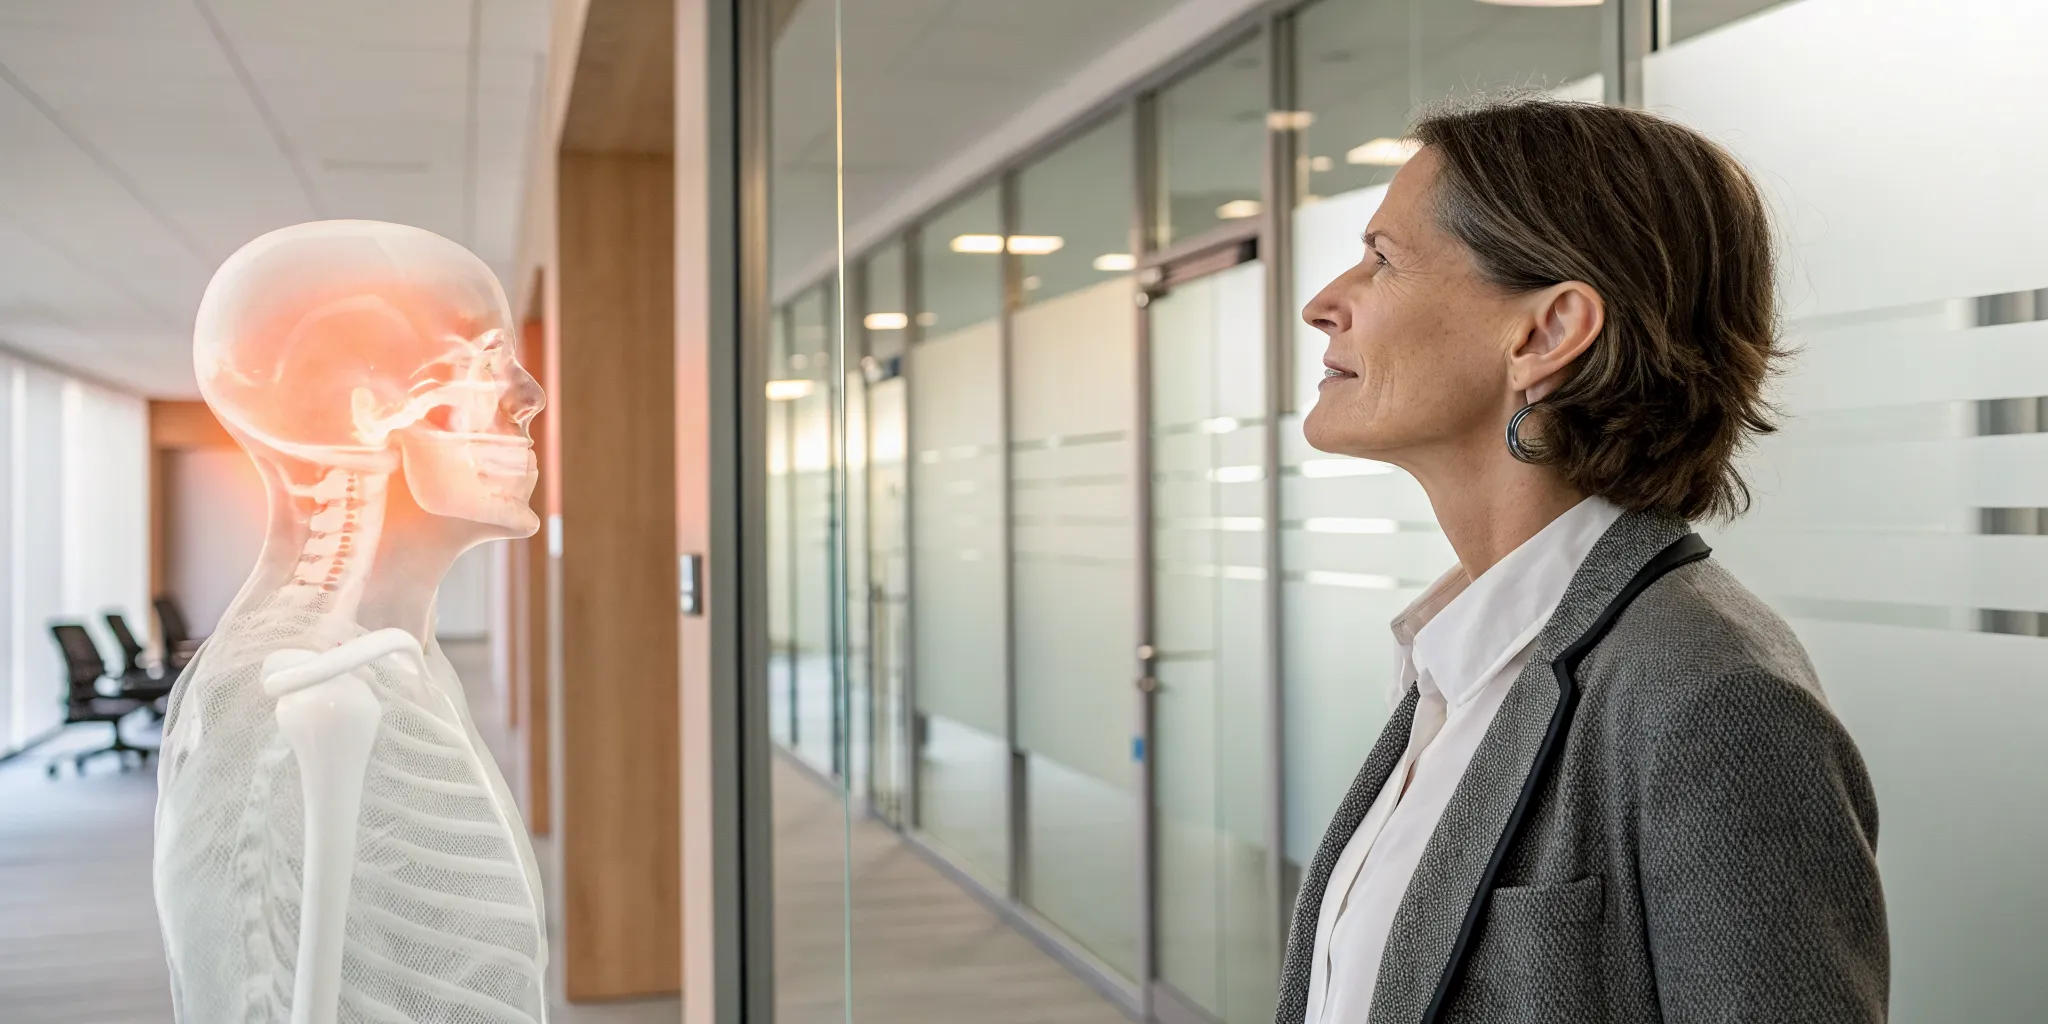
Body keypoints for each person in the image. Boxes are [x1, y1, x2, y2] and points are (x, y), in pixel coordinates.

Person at [1278, 96, 1888, 1024]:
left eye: (1383, 259)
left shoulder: (1712, 697)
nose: (1325, 304)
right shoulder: (1456, 662)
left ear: (1547, 333)